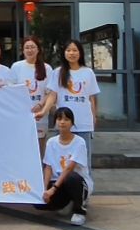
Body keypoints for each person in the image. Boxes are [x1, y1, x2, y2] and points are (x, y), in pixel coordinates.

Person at [37, 39, 100, 167]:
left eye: (75, 50)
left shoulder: (88, 72)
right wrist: (43, 111)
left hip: (83, 123)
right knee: (61, 162)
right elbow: (52, 95)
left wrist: (94, 117)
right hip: (63, 122)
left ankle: (84, 181)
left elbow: (92, 97)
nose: (72, 53)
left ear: (80, 53)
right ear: (64, 53)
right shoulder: (58, 72)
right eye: (68, 50)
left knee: (83, 163)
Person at [37, 107, 93, 226]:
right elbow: (48, 167)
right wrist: (45, 189)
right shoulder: (51, 142)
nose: (62, 122)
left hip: (77, 182)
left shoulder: (79, 142)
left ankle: (79, 211)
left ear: (72, 123)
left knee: (71, 178)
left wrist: (53, 189)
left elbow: (69, 168)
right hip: (58, 184)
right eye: (59, 119)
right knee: (38, 202)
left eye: (66, 119)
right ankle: (67, 203)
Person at [10, 36, 53, 157]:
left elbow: (50, 92)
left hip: (39, 114)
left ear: (38, 49)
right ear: (23, 50)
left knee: (40, 147)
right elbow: (11, 90)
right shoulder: (16, 67)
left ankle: (40, 168)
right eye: (27, 47)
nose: (30, 50)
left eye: (32, 47)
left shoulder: (47, 68)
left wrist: (40, 105)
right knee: (22, 146)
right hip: (21, 114)